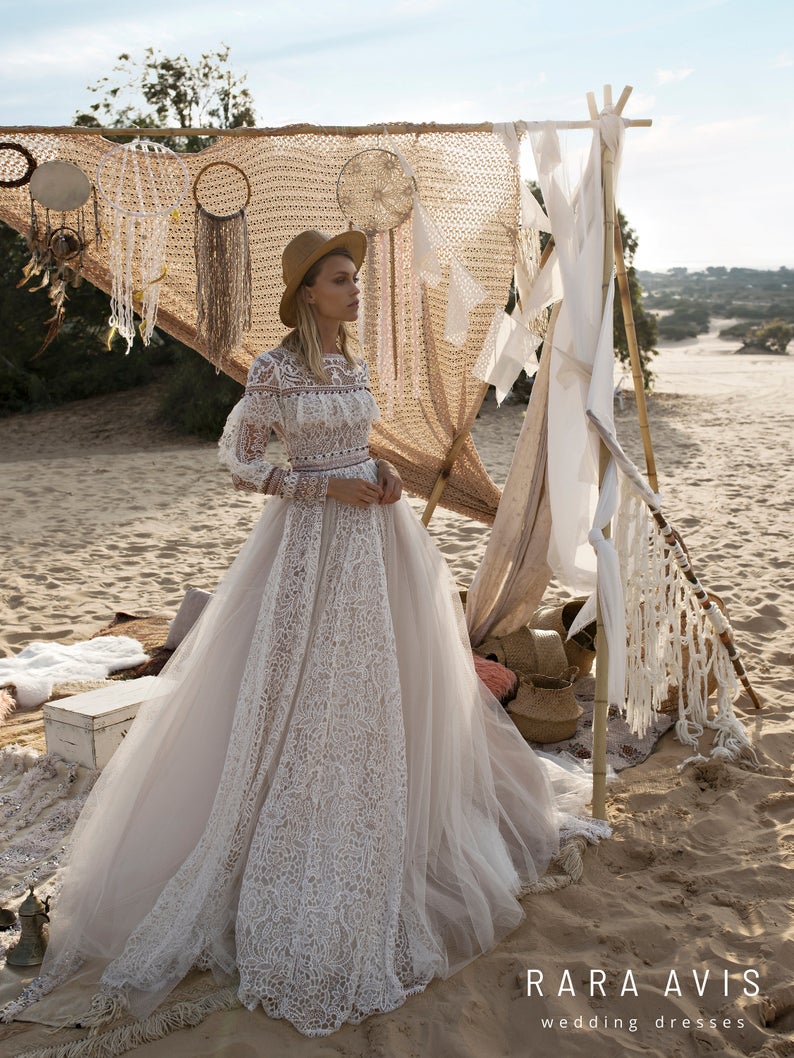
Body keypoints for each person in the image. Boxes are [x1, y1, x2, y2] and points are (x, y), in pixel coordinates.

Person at [1, 230, 604, 1041]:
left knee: (377, 684)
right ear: (307, 293)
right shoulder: (277, 368)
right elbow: (239, 458)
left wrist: (383, 471)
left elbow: (359, 441)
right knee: (296, 686)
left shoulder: (351, 364)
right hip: (312, 545)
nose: (355, 289)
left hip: (376, 540)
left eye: (354, 278)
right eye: (341, 279)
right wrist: (318, 489)